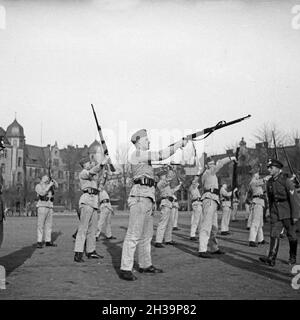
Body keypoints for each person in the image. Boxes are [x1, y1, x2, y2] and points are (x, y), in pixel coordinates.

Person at [119, 129, 187, 281]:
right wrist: (178, 145)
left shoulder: (146, 161)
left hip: (148, 196)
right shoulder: (137, 154)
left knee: (146, 235)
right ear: (138, 141)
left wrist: (169, 171)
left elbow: (157, 181)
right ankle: (125, 268)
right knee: (134, 234)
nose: (149, 142)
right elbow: (160, 155)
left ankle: (145, 264)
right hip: (139, 197)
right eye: (146, 140)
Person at [259, 159, 300, 266]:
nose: (269, 169)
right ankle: (271, 258)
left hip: (288, 211)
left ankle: (292, 257)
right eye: (268, 167)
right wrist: (269, 210)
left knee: (291, 235)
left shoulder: (286, 181)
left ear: (278, 169)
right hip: (276, 212)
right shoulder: (270, 182)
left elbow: (294, 199)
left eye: (271, 167)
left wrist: (295, 215)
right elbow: (270, 198)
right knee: (274, 234)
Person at [198, 155, 236, 258]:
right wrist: (231, 158)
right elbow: (220, 163)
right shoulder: (208, 173)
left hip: (214, 199)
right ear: (206, 166)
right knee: (206, 225)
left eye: (213, 164)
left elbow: (218, 163)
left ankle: (214, 248)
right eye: (210, 164)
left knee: (214, 227)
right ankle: (202, 249)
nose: (212, 166)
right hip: (209, 199)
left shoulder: (212, 174)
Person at [73, 155, 108, 263]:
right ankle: (78, 253)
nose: (90, 163)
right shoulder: (83, 173)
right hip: (87, 200)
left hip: (94, 201)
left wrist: (105, 173)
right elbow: (91, 172)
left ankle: (91, 251)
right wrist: (101, 164)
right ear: (84, 165)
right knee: (83, 228)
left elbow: (100, 185)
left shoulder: (93, 176)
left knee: (93, 229)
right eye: (88, 162)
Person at [155, 168, 182, 247]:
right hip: (165, 202)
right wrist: (171, 174)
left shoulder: (166, 185)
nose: (165, 176)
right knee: (163, 223)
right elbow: (165, 182)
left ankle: (168, 239)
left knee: (170, 223)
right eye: (163, 175)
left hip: (170, 203)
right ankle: (158, 241)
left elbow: (172, 191)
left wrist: (179, 185)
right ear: (160, 176)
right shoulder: (160, 183)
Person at [35, 175, 58, 248]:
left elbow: (57, 186)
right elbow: (42, 193)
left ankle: (48, 241)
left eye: (48, 178)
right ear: (42, 179)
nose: (47, 178)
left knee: (49, 225)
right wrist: (49, 186)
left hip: (50, 206)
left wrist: (53, 180)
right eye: (46, 177)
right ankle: (39, 241)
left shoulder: (50, 185)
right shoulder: (38, 186)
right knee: (40, 225)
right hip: (42, 206)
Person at [248, 170, 269, 247]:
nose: (258, 175)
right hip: (257, 202)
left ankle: (261, 239)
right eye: (257, 174)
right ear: (254, 175)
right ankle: (251, 240)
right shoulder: (253, 182)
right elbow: (264, 180)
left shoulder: (257, 183)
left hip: (260, 202)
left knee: (260, 223)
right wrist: (271, 175)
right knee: (255, 222)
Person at [189, 175, 203, 241]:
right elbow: (195, 183)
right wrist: (196, 179)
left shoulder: (195, 187)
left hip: (198, 203)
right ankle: (192, 235)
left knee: (200, 221)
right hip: (196, 203)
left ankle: (200, 234)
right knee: (196, 221)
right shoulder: (193, 186)